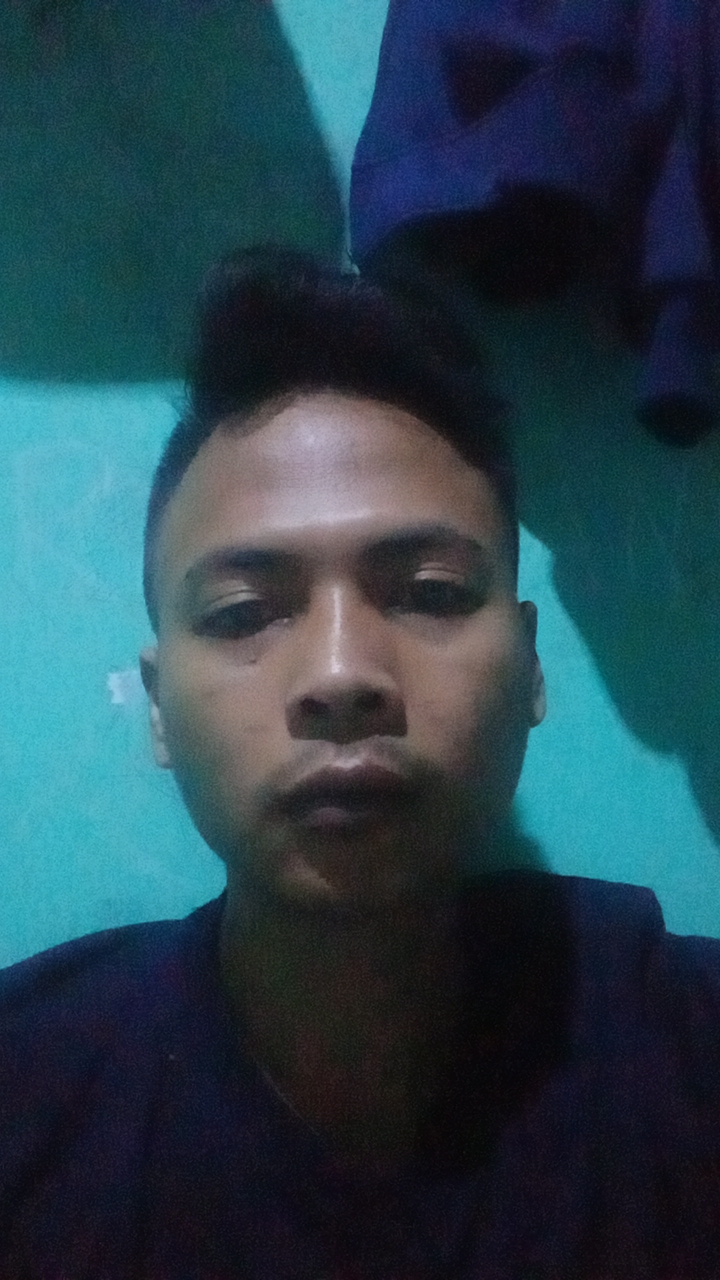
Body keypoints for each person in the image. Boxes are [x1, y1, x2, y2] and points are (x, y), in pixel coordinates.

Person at [1, 247, 719, 1280]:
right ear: (158, 708)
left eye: (429, 593)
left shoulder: (684, 1056)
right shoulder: (30, 1099)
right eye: (244, 612)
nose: (341, 674)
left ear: (528, 669)